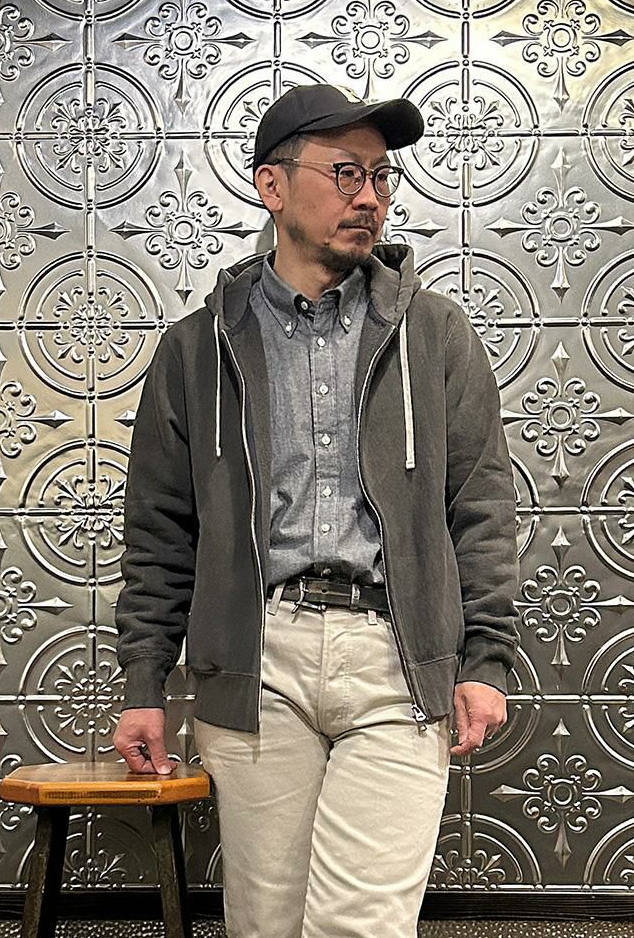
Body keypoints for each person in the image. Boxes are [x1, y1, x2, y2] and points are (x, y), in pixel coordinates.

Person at [113, 83, 520, 938]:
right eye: (345, 173)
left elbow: (480, 506)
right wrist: (144, 682)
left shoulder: (435, 334)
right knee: (266, 923)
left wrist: (486, 658)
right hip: (257, 656)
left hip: (397, 659)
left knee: (361, 925)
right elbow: (160, 533)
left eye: (380, 176)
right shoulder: (195, 350)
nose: (369, 196)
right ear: (272, 185)